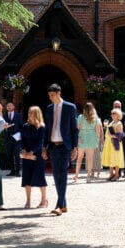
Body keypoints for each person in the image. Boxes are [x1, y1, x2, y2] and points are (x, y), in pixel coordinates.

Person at [42, 83, 78, 216]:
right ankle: (64, 204)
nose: (50, 98)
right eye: (49, 95)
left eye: (52, 95)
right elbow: (46, 130)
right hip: (52, 145)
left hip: (64, 146)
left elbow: (74, 129)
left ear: (58, 93)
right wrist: (44, 147)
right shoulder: (49, 108)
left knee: (62, 174)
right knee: (56, 175)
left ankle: (58, 204)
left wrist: (75, 147)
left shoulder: (70, 107)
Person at [19, 106, 48, 208]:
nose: (29, 115)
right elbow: (22, 140)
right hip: (26, 155)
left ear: (36, 114)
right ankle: (28, 201)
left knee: (40, 178)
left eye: (31, 113)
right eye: (29, 113)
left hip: (37, 156)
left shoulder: (42, 127)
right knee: (26, 178)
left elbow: (40, 143)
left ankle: (44, 200)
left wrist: (31, 152)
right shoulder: (24, 126)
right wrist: (23, 151)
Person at [74, 102, 102, 182]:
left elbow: (77, 128)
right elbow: (98, 131)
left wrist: (78, 137)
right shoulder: (96, 118)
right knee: (90, 159)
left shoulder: (80, 117)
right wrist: (97, 139)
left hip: (82, 137)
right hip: (92, 138)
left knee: (79, 158)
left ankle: (76, 176)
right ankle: (88, 176)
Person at [101, 108, 125, 181]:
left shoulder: (119, 123)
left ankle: (117, 174)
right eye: (111, 113)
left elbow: (120, 135)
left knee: (116, 158)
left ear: (118, 115)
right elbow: (108, 133)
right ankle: (111, 174)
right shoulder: (111, 123)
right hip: (109, 144)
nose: (112, 115)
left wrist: (112, 136)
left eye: (114, 113)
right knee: (110, 158)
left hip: (115, 143)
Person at [3, 102, 22, 177]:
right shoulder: (4, 116)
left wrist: (20, 136)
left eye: (10, 105)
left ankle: (18, 171)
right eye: (8, 105)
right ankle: (12, 171)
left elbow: (21, 126)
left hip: (17, 138)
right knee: (9, 155)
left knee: (17, 155)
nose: (9, 107)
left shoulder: (18, 115)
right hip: (7, 138)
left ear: (13, 106)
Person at [113, 100, 125, 178]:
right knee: (116, 156)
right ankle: (118, 173)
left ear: (121, 107)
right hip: (114, 139)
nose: (117, 108)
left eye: (119, 106)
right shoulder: (112, 115)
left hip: (123, 138)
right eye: (116, 106)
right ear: (113, 107)